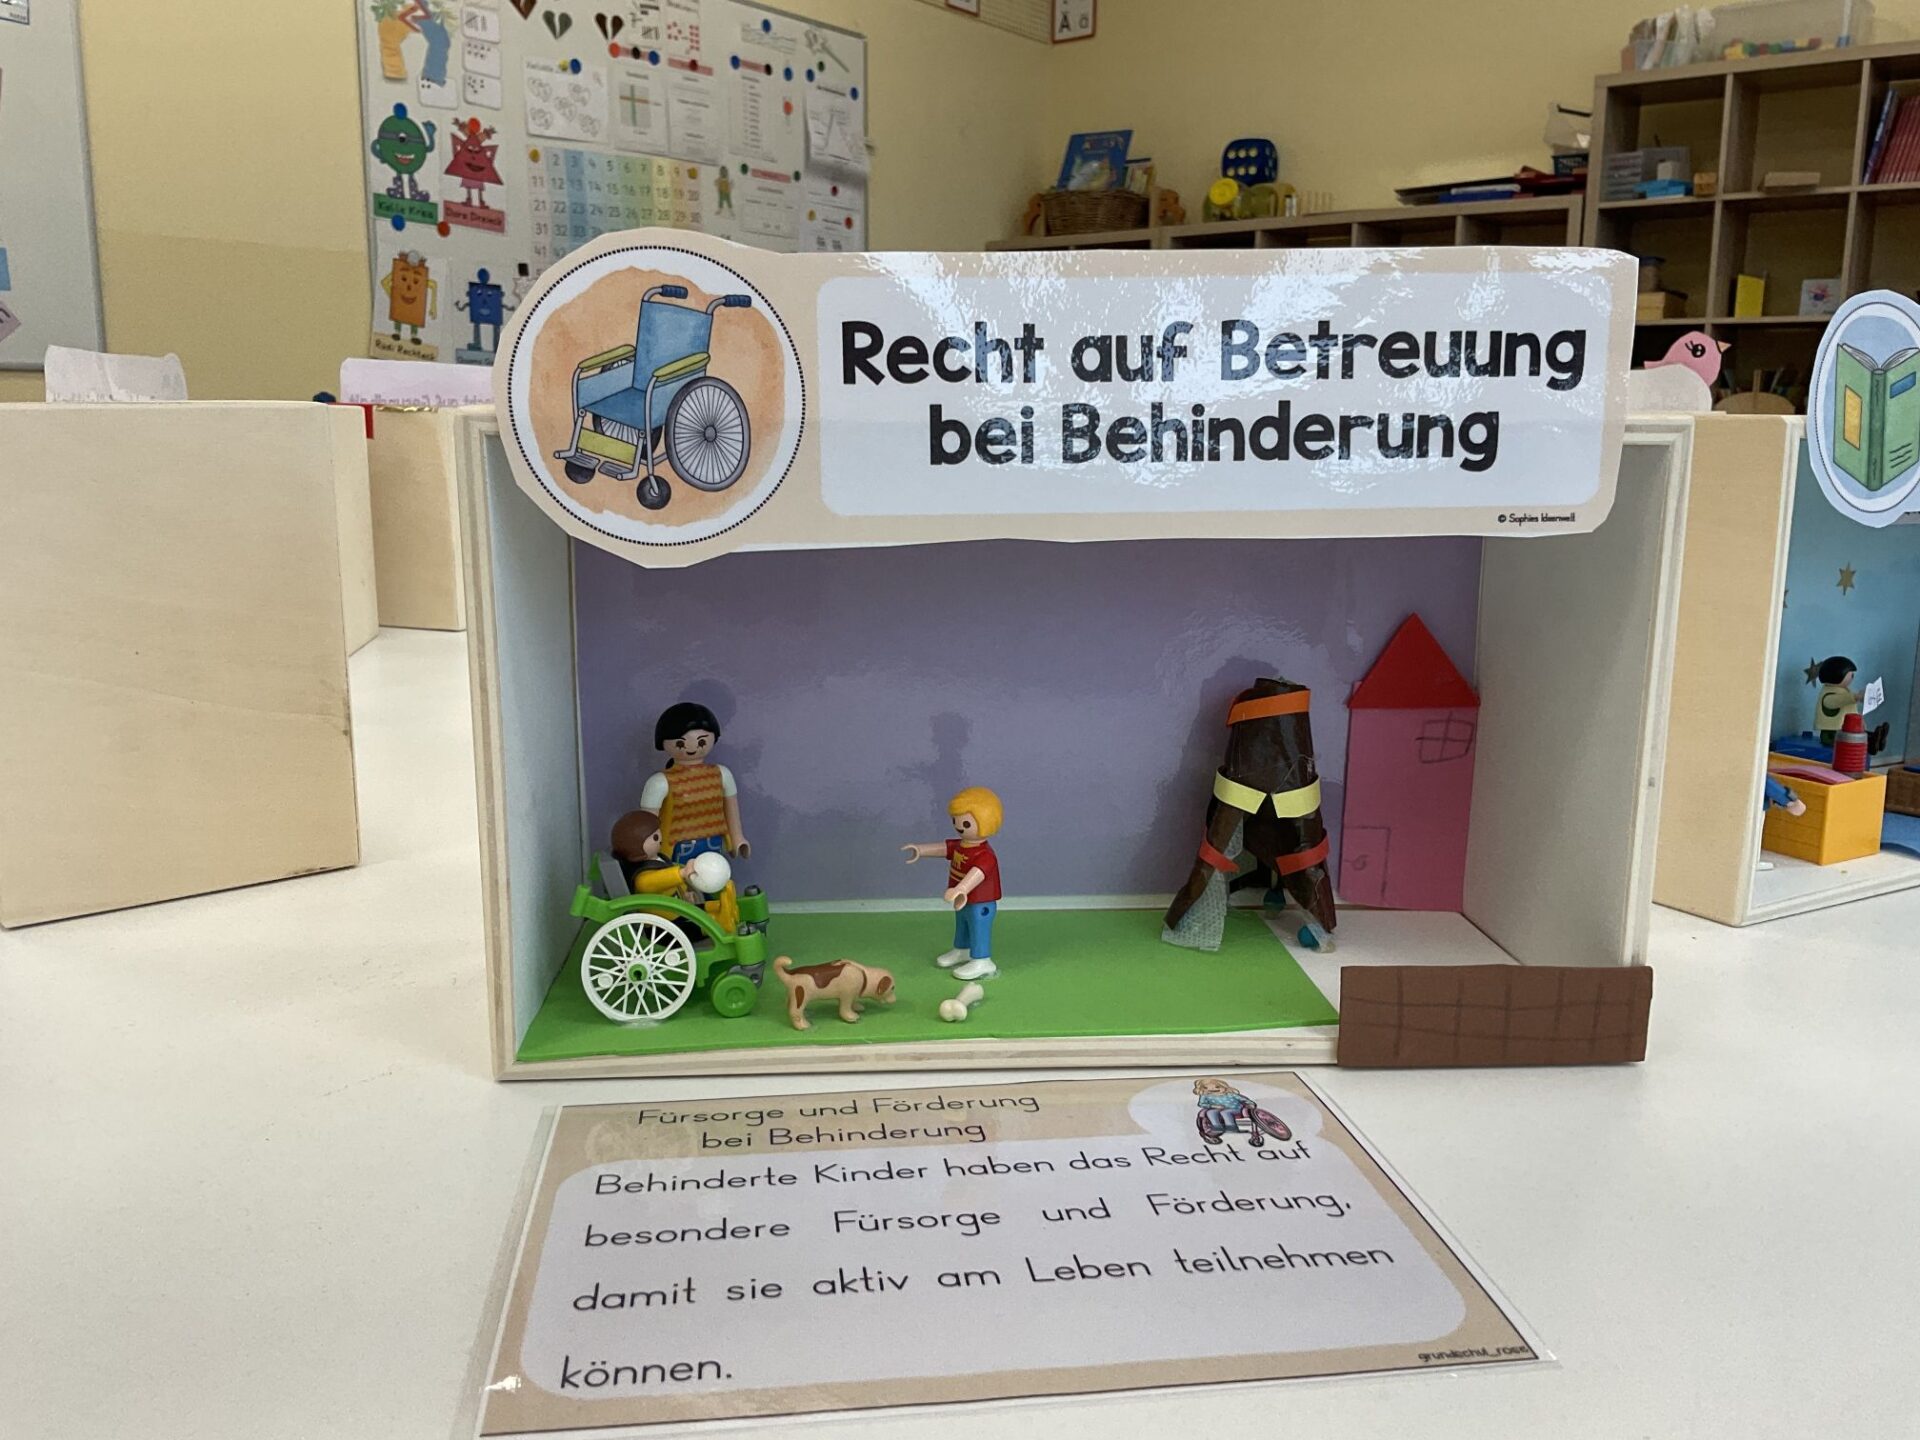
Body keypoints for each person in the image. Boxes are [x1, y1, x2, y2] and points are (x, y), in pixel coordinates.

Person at [903, 786, 1003, 982]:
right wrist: (921, 850)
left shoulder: (985, 855)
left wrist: (961, 888)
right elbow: (944, 848)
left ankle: (982, 960)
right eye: (956, 821)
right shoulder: (961, 846)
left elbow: (978, 873)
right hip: (961, 899)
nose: (959, 826)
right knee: (962, 925)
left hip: (980, 902)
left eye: (965, 823)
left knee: (978, 927)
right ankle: (962, 950)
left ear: (985, 823)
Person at [639, 702, 749, 865]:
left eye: (701, 741)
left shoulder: (722, 774)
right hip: (676, 847)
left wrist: (738, 838)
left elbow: (731, 810)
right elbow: (647, 822)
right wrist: (648, 852)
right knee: (680, 880)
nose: (691, 748)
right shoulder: (659, 783)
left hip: (714, 843)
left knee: (716, 877)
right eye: (680, 743)